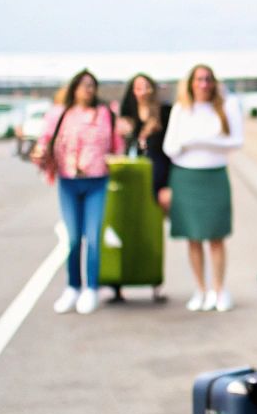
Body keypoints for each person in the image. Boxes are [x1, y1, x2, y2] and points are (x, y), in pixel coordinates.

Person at [32, 69, 125, 315]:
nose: (88, 89)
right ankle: (73, 286)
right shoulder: (60, 114)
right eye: (83, 84)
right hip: (69, 180)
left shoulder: (105, 113)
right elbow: (44, 140)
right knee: (73, 238)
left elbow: (117, 146)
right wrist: (40, 153)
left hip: (97, 180)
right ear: (74, 87)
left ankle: (91, 288)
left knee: (93, 238)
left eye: (92, 85)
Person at [163, 64, 243, 313]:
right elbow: (170, 147)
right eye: (199, 79)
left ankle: (219, 289)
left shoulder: (226, 107)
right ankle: (201, 289)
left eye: (208, 79)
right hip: (186, 177)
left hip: (214, 176)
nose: (204, 84)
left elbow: (236, 142)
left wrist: (202, 141)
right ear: (191, 83)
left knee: (216, 237)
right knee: (193, 238)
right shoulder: (181, 109)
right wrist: (188, 145)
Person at [118, 72, 173, 211]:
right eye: (138, 88)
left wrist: (170, 184)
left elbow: (171, 151)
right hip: (133, 174)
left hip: (159, 175)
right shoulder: (127, 115)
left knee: (155, 218)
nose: (144, 92)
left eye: (147, 87)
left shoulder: (165, 112)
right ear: (132, 92)